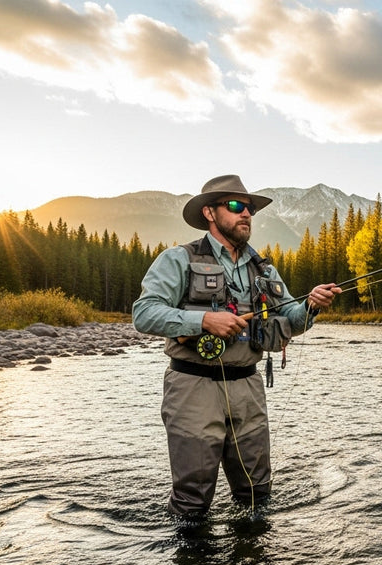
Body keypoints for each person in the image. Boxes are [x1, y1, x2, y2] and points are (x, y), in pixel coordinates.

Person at [133, 174, 338, 518]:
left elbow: (292, 319)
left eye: (249, 209)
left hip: (248, 387)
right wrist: (203, 321)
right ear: (210, 213)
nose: (245, 213)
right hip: (193, 387)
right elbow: (144, 313)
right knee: (192, 501)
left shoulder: (264, 270)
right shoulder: (178, 259)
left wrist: (311, 305)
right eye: (235, 205)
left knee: (256, 493)